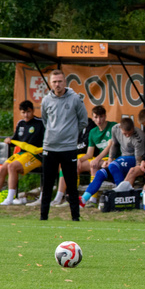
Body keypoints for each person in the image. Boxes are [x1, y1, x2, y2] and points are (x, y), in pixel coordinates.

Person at [39, 69, 88, 222]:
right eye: (54, 82)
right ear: (50, 83)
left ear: (65, 82)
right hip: (50, 148)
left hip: (68, 148)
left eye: (60, 81)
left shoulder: (75, 99)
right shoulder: (46, 100)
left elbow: (83, 121)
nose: (57, 84)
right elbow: (45, 120)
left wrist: (70, 134)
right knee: (47, 185)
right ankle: (43, 217)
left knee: (72, 185)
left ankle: (75, 217)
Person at [0, 100, 45, 206]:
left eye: (28, 112)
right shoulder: (20, 123)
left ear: (33, 111)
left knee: (12, 167)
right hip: (21, 154)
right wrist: (9, 141)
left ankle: (10, 198)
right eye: (23, 112)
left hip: (35, 155)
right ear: (20, 112)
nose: (26, 115)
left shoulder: (40, 123)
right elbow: (15, 140)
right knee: (4, 168)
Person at [47, 105, 113, 207]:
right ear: (93, 117)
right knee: (72, 165)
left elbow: (111, 146)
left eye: (101, 117)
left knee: (93, 164)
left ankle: (92, 199)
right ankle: (71, 198)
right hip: (99, 159)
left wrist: (97, 159)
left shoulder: (113, 127)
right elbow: (89, 154)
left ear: (105, 116)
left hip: (112, 159)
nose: (99, 120)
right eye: (96, 117)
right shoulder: (93, 132)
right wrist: (79, 160)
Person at [80, 117, 145, 205]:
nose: (127, 136)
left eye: (129, 134)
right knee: (100, 173)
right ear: (120, 128)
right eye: (125, 134)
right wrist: (110, 159)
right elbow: (114, 145)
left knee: (113, 165)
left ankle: (121, 197)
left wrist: (137, 167)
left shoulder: (139, 136)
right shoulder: (115, 129)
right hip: (121, 159)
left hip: (134, 159)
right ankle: (83, 199)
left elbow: (138, 159)